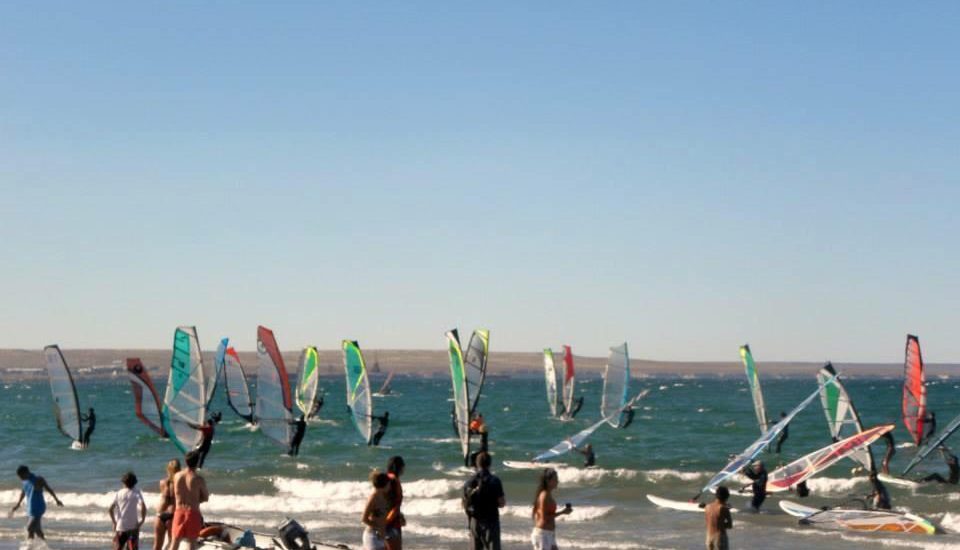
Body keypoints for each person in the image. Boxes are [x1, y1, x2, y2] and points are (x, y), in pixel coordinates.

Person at [463, 451, 505, 550]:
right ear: (490, 464)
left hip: (475, 520)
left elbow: (464, 503)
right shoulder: (495, 480)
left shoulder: (469, 482)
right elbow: (502, 503)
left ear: (477, 464)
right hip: (491, 520)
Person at [11, 465, 63, 541]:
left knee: (29, 528)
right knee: (36, 530)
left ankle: (29, 547)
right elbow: (23, 492)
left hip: (38, 507)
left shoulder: (38, 479)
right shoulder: (25, 481)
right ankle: (43, 545)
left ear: (26, 473)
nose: (20, 478)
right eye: (19, 476)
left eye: (21, 476)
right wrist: (18, 504)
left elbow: (49, 489)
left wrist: (57, 500)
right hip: (30, 508)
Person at [170, 450, 209, 550]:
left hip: (179, 512)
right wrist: (196, 499)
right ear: (197, 462)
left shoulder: (177, 476)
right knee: (192, 544)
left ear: (186, 461)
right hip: (192, 512)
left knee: (175, 542)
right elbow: (205, 497)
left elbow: (174, 493)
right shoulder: (198, 479)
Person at [531, 468, 572, 550]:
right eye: (555, 479)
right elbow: (544, 518)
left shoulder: (547, 494)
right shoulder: (544, 495)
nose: (557, 481)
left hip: (549, 534)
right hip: (543, 534)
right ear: (548, 481)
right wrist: (562, 512)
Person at [109, 471, 146, 550]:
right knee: (133, 548)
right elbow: (143, 506)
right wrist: (142, 520)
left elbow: (110, 509)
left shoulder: (119, 493)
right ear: (135, 483)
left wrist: (114, 522)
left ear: (123, 482)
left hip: (120, 527)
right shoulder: (136, 492)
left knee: (118, 548)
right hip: (133, 527)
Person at [154, 459, 180, 550]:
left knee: (157, 546)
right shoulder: (180, 483)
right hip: (172, 515)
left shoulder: (162, 482)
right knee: (171, 544)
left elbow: (165, 498)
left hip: (160, 514)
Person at [361, 471, 390, 550]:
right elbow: (364, 519)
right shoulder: (373, 498)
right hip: (372, 536)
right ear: (384, 484)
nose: (390, 486)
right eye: (388, 483)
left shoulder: (385, 497)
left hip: (382, 536)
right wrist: (378, 527)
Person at [384, 456, 405, 550]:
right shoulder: (395, 481)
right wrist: (386, 522)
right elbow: (396, 506)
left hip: (380, 520)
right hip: (391, 523)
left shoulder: (384, 479)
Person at [704, 485, 733, 550]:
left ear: (716, 495)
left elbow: (708, 522)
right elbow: (730, 525)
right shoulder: (723, 508)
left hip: (709, 538)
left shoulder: (707, 507)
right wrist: (721, 525)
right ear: (726, 497)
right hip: (720, 538)